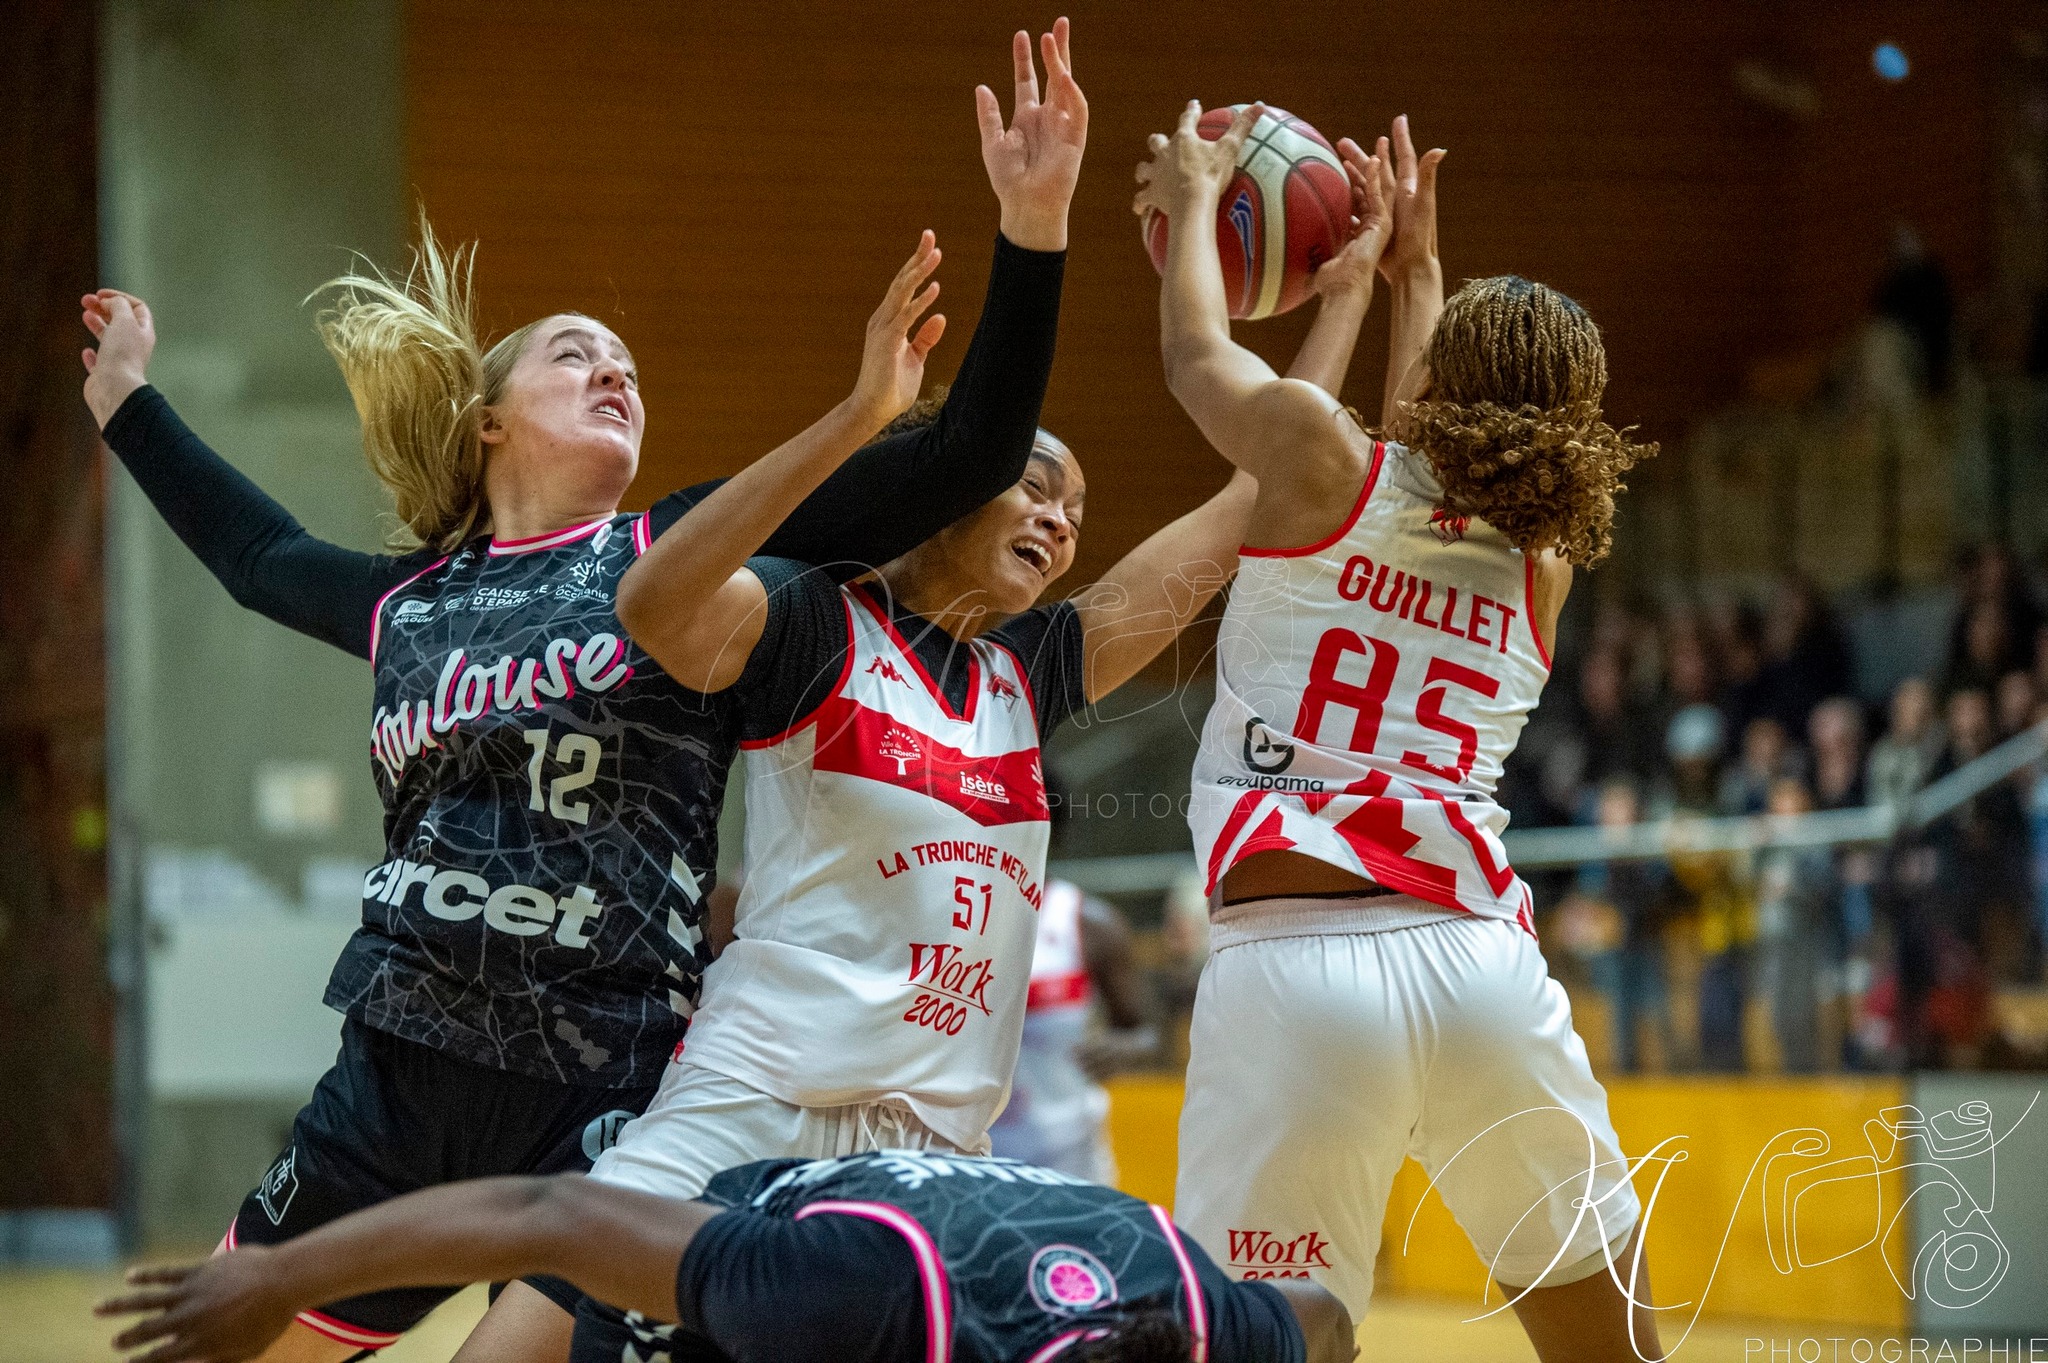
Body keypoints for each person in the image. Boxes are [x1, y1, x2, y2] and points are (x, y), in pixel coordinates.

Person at [77, 26, 1074, 1354]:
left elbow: (967, 451)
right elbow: (256, 556)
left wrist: (1035, 237)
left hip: (603, 1080)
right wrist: (129, 402)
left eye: (629, 366)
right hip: (396, 1067)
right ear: (489, 420)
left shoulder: (693, 550)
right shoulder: (407, 603)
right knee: (212, 1339)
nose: (617, 369)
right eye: (573, 353)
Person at [1138, 105, 1660, 1360]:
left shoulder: (1321, 462)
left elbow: (1193, 351)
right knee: (1608, 1336)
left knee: (1268, 1341)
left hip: (1297, 966)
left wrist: (1207, 200)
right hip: (1477, 967)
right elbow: (1434, 475)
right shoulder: (1543, 566)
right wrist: (1417, 273)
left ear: (1434, 385)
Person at [987, 879, 1157, 1182]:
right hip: (974, 1153)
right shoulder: (951, 912)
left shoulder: (1086, 919)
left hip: (1070, 1152)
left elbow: (1146, 1033)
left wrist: (1119, 1048)